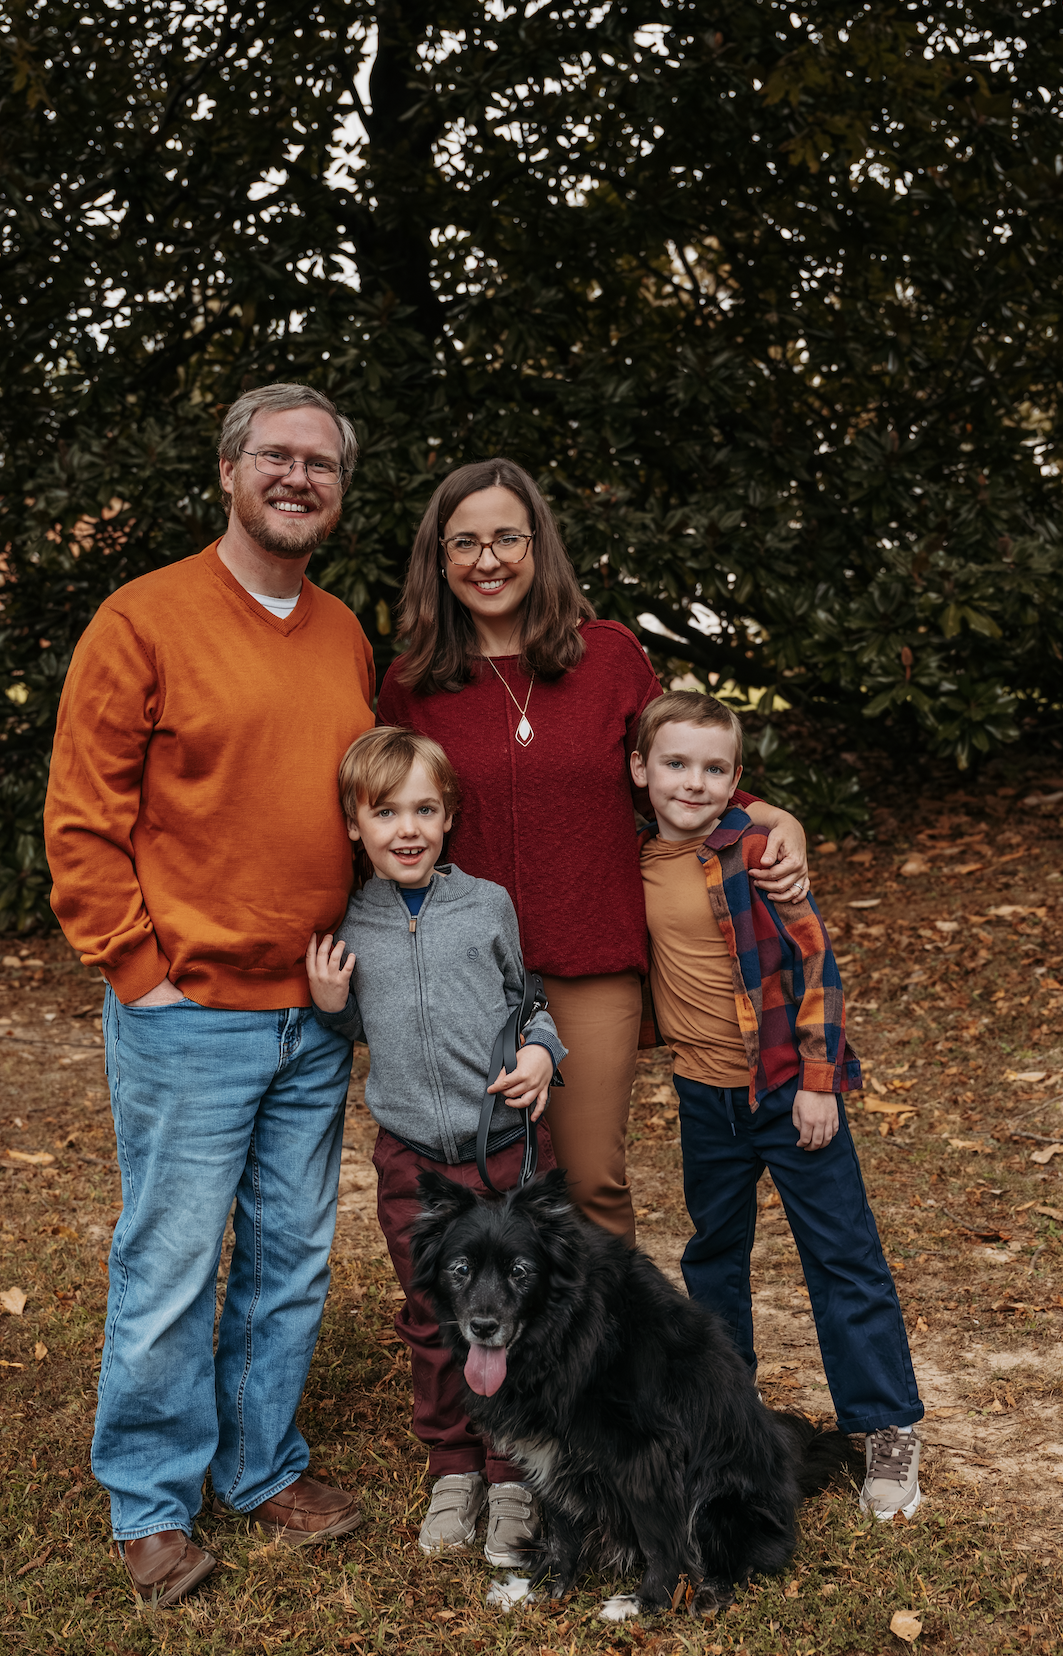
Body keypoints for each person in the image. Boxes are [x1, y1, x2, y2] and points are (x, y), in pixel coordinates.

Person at [43, 383, 375, 1608]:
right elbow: (83, 821)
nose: (298, 479)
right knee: (173, 1261)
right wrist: (141, 968)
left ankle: (262, 1465)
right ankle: (149, 1499)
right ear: (228, 472)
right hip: (189, 1011)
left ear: (339, 492)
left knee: (289, 1258)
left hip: (314, 1012)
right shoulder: (144, 619)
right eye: (275, 458)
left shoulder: (341, 631)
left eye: (321, 465)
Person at [376, 458, 811, 1246]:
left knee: (586, 1182)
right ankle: (505, 1361)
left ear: (538, 546)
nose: (488, 560)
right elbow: (383, 817)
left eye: (508, 537)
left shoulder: (608, 656)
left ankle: (605, 1361)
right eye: (464, 543)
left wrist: (771, 816)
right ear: (438, 560)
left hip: (590, 961)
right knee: (486, 1187)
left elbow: (673, 774)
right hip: (463, 974)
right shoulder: (411, 684)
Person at [631, 689, 924, 1520]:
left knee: (842, 1258)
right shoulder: (631, 852)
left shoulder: (757, 852)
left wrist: (821, 1084)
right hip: (702, 1096)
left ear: (738, 780)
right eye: (677, 764)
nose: (694, 782)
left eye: (715, 768)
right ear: (640, 770)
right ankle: (728, 1422)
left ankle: (887, 1428)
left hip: (789, 1093)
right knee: (713, 1259)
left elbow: (817, 967)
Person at [306, 726, 566, 1564]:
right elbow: (360, 1024)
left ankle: (515, 1472)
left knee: (516, 1316)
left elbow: (528, 1003)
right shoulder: (350, 921)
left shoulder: (486, 905)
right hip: (414, 1160)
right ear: (354, 823)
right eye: (386, 812)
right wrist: (329, 1002)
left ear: (449, 815)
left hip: (505, 1157)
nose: (407, 828)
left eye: (424, 808)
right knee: (435, 1315)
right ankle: (454, 1468)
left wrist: (539, 1054)